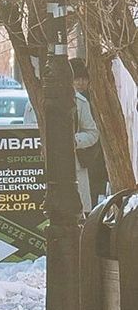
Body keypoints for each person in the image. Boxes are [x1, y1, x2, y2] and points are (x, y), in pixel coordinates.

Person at [23, 60, 99, 213]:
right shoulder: (35, 104)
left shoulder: (80, 102)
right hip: (42, 168)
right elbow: (29, 133)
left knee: (78, 213)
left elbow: (92, 133)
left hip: (74, 166)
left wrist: (74, 141)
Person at [70, 59, 108, 206]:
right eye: (77, 79)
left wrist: (75, 141)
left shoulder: (88, 100)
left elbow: (93, 132)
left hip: (89, 157)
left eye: (83, 79)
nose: (80, 82)